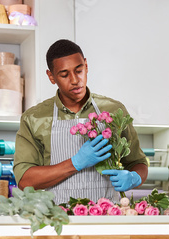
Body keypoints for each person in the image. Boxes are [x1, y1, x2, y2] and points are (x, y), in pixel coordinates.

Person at [13, 39, 148, 204]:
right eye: (64, 74)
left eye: (79, 70)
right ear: (51, 76)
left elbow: (139, 163)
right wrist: (76, 163)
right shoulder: (34, 118)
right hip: (59, 221)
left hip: (109, 218)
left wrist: (134, 177)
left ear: (86, 65)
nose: (75, 80)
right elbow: (25, 180)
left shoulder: (113, 110)